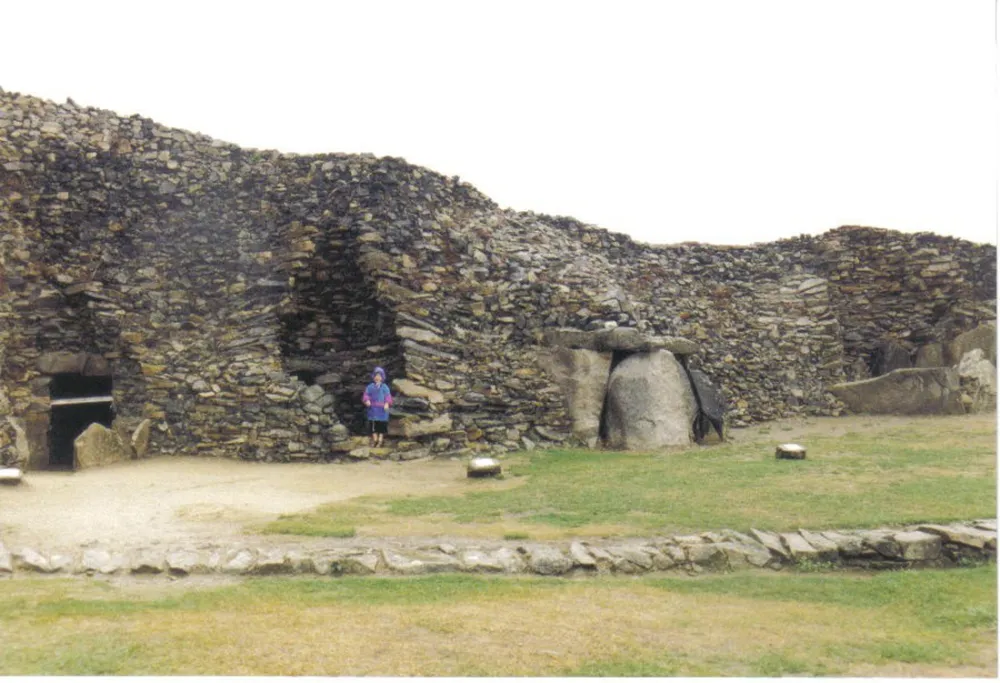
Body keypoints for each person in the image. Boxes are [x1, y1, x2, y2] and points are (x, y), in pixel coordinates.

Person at [362, 366, 393, 448]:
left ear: (382, 377)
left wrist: (387, 403)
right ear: (373, 377)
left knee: (381, 426)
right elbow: (366, 395)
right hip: (373, 409)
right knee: (373, 425)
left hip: (382, 410)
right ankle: (375, 440)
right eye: (376, 376)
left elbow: (388, 396)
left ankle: (380, 440)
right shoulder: (370, 387)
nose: (377, 378)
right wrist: (367, 400)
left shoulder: (385, 387)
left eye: (379, 376)